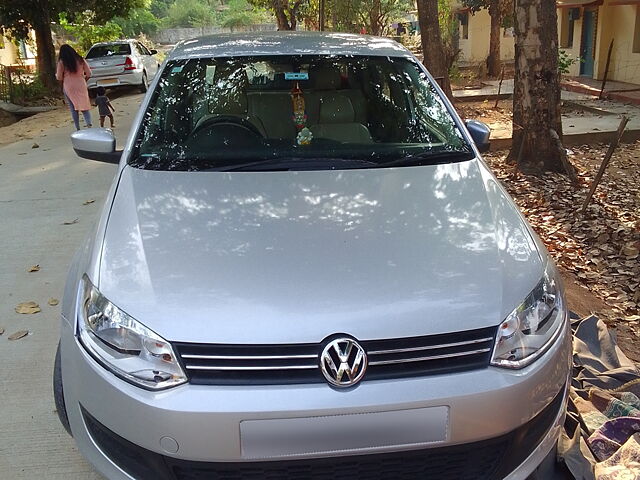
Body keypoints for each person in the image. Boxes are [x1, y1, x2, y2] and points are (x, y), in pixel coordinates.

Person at [56, 44, 92, 130]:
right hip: (81, 84)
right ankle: (89, 124)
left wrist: (62, 86)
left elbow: (59, 77)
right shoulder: (81, 60)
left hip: (68, 85)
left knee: (73, 107)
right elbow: (89, 73)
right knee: (84, 105)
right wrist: (84, 80)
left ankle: (77, 128)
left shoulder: (62, 62)